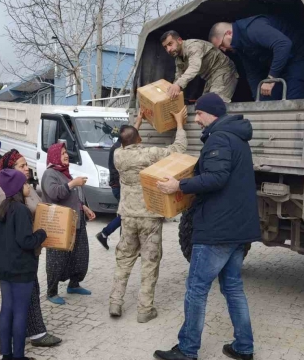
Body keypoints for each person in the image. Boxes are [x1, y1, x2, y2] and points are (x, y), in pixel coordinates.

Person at [153, 93, 260, 360]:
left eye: (199, 114)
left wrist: (178, 185)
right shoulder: (237, 138)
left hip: (217, 229)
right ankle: (243, 347)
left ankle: (187, 350)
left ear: (210, 113)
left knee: (196, 289)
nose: (197, 119)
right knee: (233, 287)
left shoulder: (220, 138)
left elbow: (216, 178)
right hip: (238, 229)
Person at [109, 106, 188, 323]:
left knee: (124, 259)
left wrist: (138, 121)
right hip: (149, 217)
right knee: (150, 261)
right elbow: (179, 148)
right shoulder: (150, 153)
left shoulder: (118, 155)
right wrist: (179, 123)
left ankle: (115, 301)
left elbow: (126, 141)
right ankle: (145, 309)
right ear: (139, 138)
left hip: (127, 216)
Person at [0, 149, 62, 348]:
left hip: (14, 260)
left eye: (26, 165)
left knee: (15, 304)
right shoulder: (7, 197)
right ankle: (29, 340)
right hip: (21, 260)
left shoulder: (24, 191)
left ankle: (12, 347)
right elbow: (20, 237)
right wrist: (40, 234)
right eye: (21, 166)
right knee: (22, 305)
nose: (27, 169)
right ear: (10, 172)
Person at [0, 169, 47, 360]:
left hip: (3, 268)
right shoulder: (22, 210)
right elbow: (26, 241)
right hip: (21, 269)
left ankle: (5, 354)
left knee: (6, 309)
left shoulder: (3, 208)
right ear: (17, 187)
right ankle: (18, 356)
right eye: (25, 184)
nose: (28, 186)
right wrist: (41, 234)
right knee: (20, 312)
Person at [208, 15, 304, 101]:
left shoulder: (252, 28)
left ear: (228, 33)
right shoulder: (239, 47)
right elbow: (252, 73)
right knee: (269, 98)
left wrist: (271, 79)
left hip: (299, 56)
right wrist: (257, 98)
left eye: (221, 45)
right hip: (282, 63)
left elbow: (283, 44)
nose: (224, 50)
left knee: (293, 98)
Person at [41, 143, 96, 305]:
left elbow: (72, 197)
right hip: (59, 225)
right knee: (57, 259)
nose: (66, 155)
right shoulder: (50, 173)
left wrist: (84, 207)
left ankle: (74, 284)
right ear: (54, 156)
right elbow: (55, 193)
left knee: (80, 255)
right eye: (62, 153)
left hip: (76, 222)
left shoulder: (64, 173)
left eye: (66, 152)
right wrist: (73, 183)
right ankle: (52, 291)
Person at [95, 114, 145, 249]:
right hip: (119, 186)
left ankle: (110, 236)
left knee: (125, 214)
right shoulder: (120, 149)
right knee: (126, 214)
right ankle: (109, 235)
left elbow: (132, 134)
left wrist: (139, 121)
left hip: (118, 186)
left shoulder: (119, 145)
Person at [160, 30, 239, 103]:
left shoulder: (193, 46)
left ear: (179, 40)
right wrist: (171, 92)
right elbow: (178, 77)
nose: (168, 49)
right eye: (165, 47)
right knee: (204, 105)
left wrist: (178, 85)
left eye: (170, 44)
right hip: (210, 78)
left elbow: (194, 67)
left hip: (224, 70)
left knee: (214, 104)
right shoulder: (178, 59)